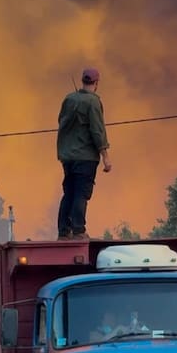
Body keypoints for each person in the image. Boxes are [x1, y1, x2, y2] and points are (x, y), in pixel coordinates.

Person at [57, 67, 112, 240]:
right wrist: (105, 157)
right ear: (96, 83)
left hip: (67, 156)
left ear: (83, 81)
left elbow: (61, 121)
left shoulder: (68, 99)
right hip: (85, 156)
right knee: (81, 193)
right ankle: (79, 230)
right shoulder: (93, 102)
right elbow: (97, 131)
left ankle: (64, 232)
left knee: (69, 192)